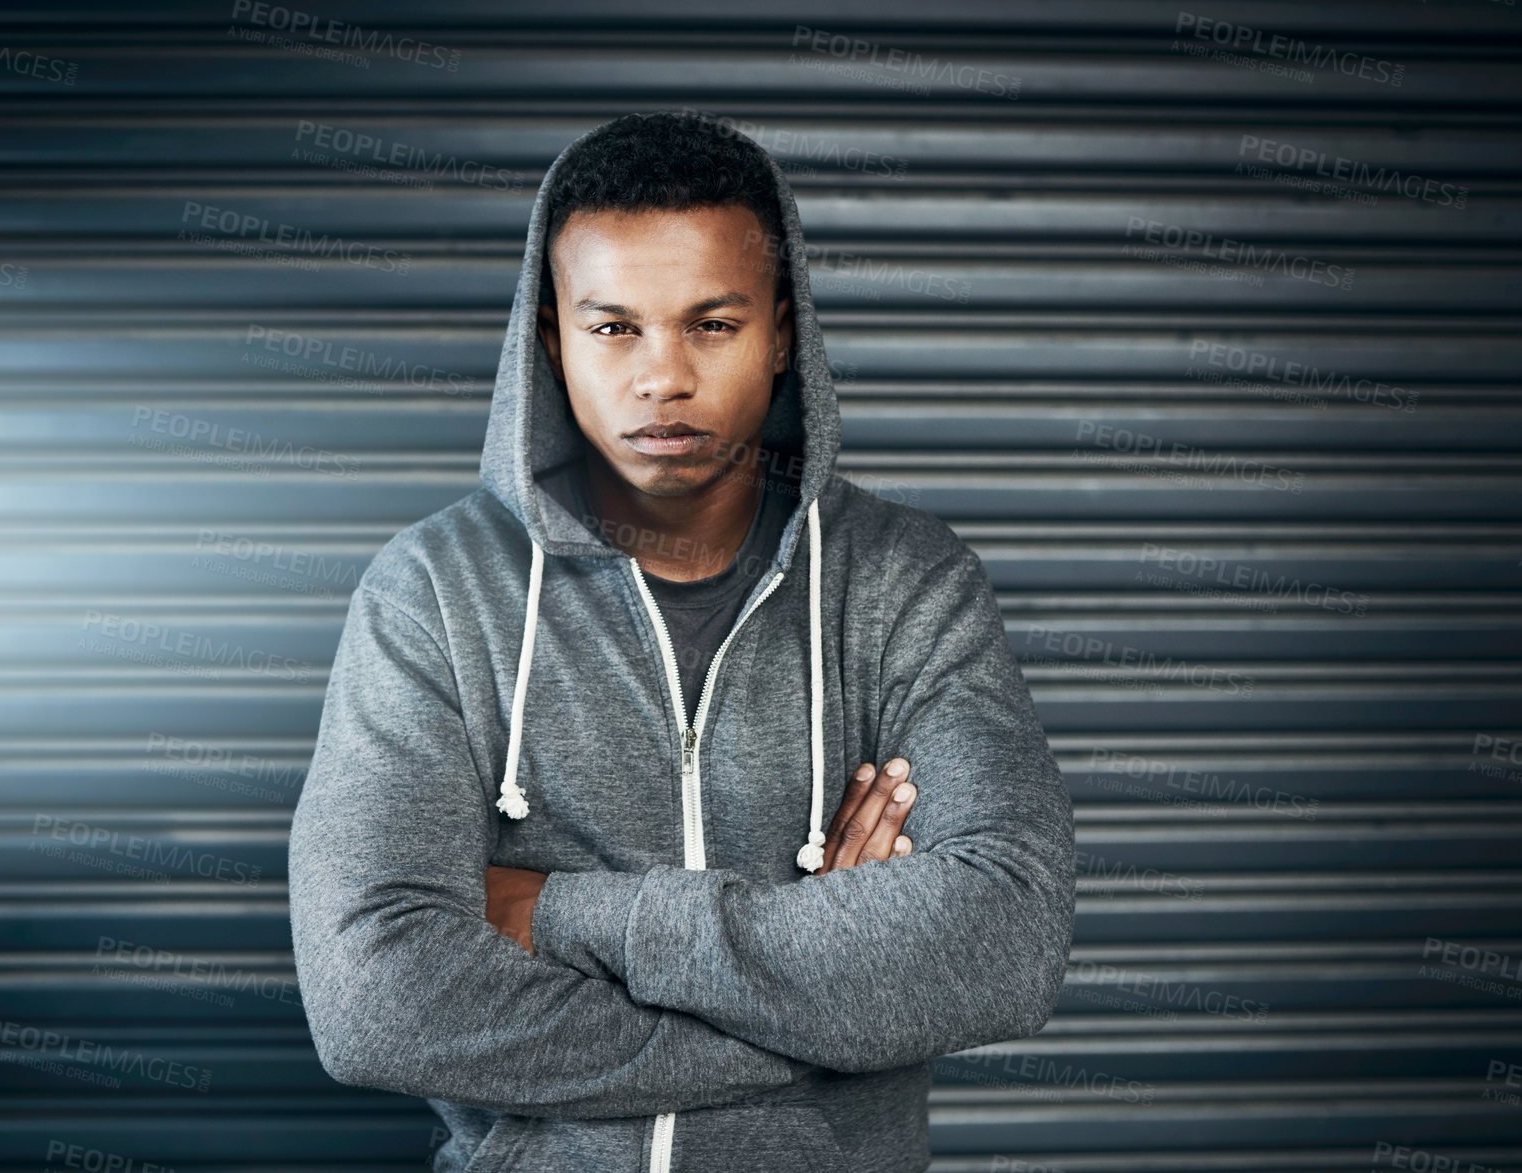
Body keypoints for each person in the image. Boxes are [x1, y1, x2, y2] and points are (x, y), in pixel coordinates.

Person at [287, 110, 1075, 1173]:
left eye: (712, 323)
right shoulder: (434, 590)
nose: (664, 377)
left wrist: (553, 908)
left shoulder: (907, 583)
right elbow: (375, 998)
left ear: (783, 331)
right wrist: (827, 1005)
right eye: (615, 327)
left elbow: (1004, 938)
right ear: (552, 337)